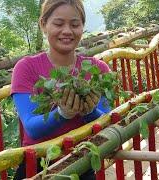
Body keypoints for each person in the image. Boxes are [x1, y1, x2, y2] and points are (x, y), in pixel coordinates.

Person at [11, 0, 111, 179]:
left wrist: (89, 112)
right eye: (58, 23)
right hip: (38, 168)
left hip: (82, 164)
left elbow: (108, 123)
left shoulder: (98, 70)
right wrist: (63, 113)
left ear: (82, 27)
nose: (67, 31)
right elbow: (31, 127)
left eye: (75, 24)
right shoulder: (26, 68)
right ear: (43, 25)